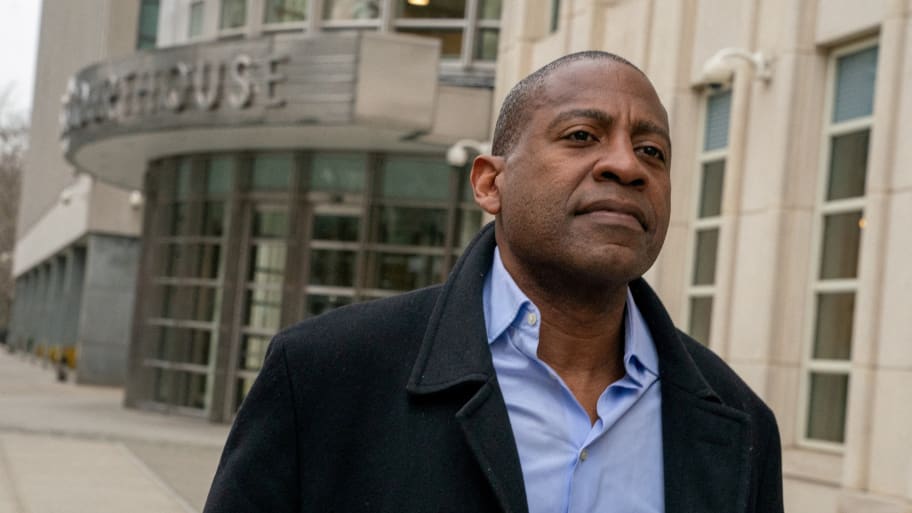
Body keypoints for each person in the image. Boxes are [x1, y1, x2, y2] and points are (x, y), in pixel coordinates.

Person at [203, 51, 783, 513]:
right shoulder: (322, 375)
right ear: (489, 184)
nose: (627, 166)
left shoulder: (739, 423)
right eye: (582, 135)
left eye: (652, 151)